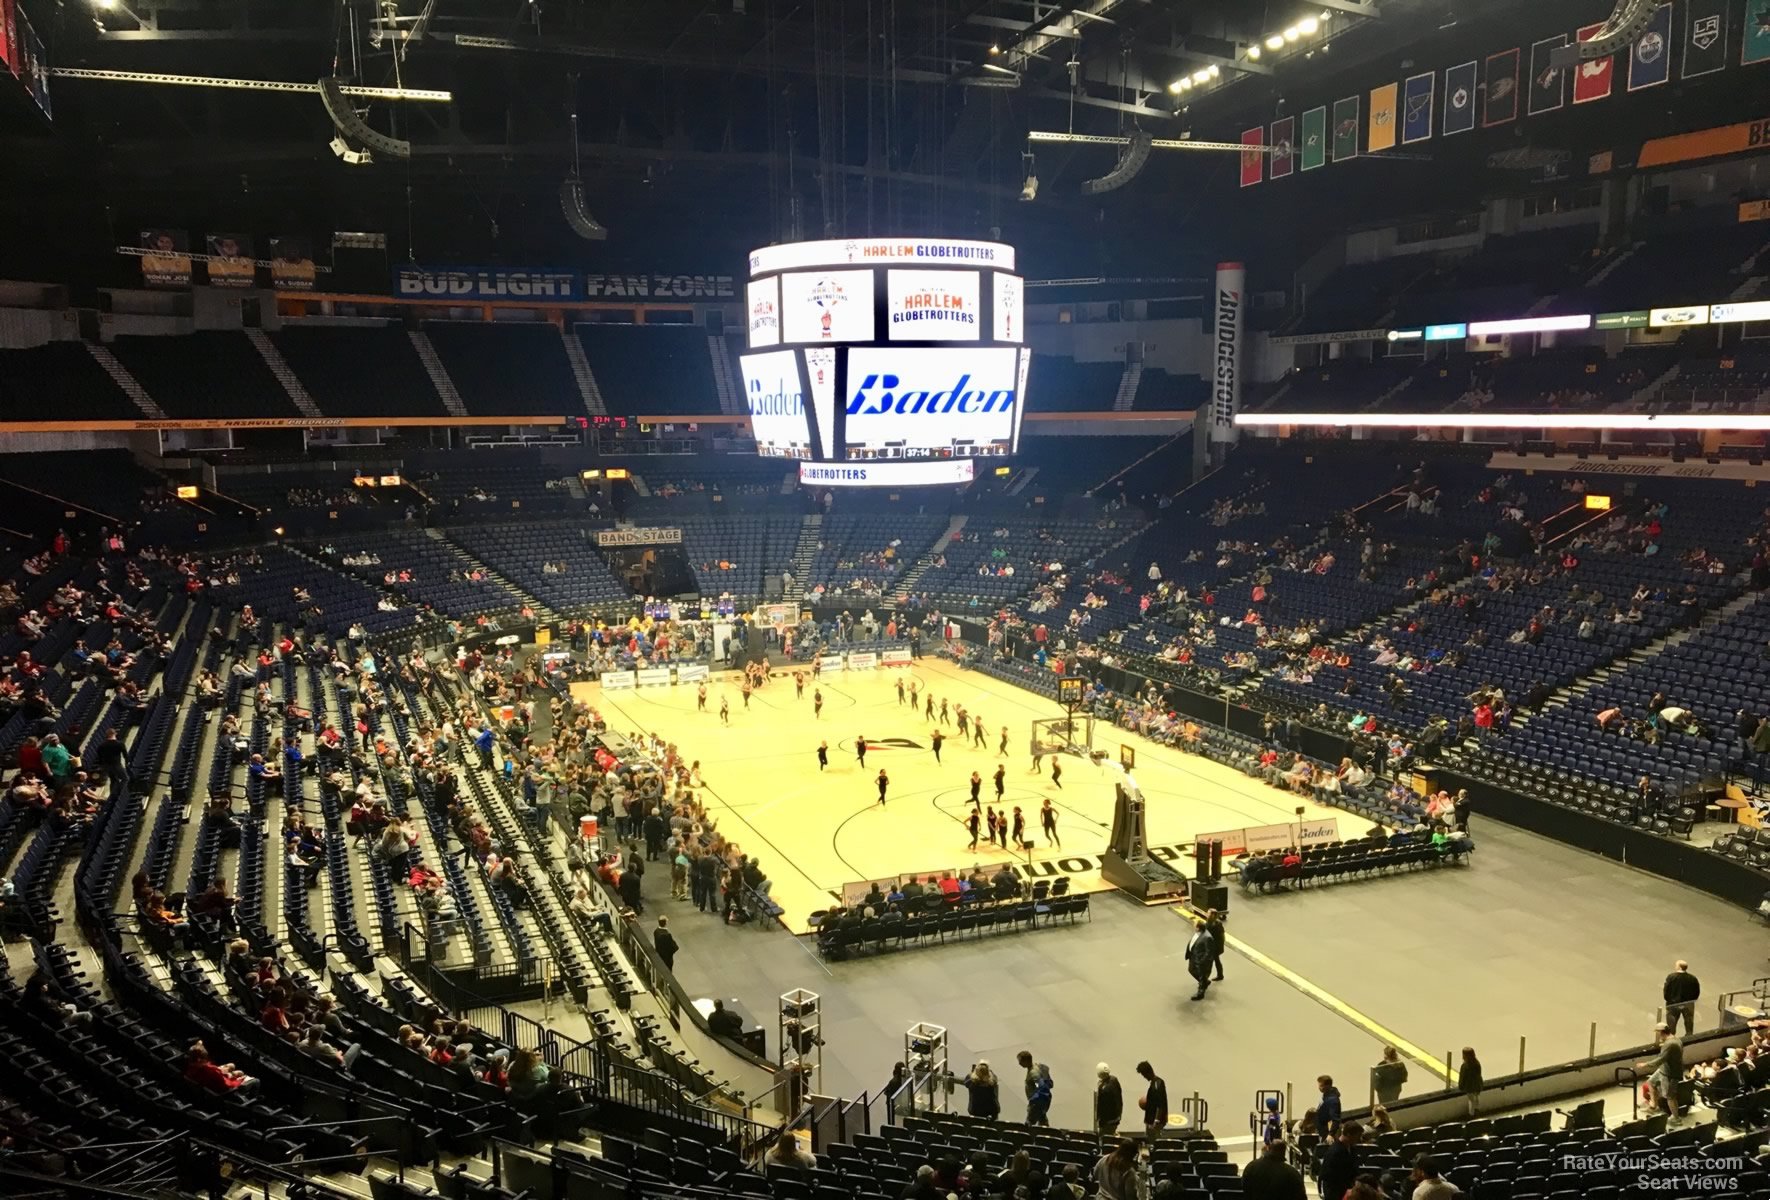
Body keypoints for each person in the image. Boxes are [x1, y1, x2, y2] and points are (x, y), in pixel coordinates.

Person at [1637, 1022, 1683, 1120]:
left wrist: (1646, 1064)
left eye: (1658, 1033)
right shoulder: (1676, 1039)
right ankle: (1653, 1106)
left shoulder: (1669, 1044)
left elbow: (1660, 1059)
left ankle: (1676, 1118)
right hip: (1663, 1069)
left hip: (1670, 1073)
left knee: (1670, 1096)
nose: (1658, 1035)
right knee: (1651, 1082)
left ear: (1662, 1032)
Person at [1318, 1121, 1364, 1200]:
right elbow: (1329, 1178)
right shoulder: (1334, 1152)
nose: (1359, 1139)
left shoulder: (1351, 1149)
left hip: (1347, 1188)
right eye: (1358, 1135)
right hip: (1336, 1192)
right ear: (1349, 1134)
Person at [1663, 960, 1700, 1037]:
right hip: (1688, 1005)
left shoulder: (1671, 977)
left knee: (1671, 1025)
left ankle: (1671, 1038)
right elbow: (1697, 991)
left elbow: (1666, 990)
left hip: (1673, 1005)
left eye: (1676, 965)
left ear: (1679, 967)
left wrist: (1668, 1000)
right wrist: (1691, 1000)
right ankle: (1689, 1038)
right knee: (1689, 1024)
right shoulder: (1692, 978)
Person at [1017, 1050, 1054, 1125]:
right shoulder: (1036, 1067)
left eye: (1020, 1061)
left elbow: (1040, 1087)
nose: (1019, 1063)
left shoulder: (1033, 1074)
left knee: (1029, 1123)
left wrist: (1034, 1103)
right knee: (1043, 1121)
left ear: (1026, 1061)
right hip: (1042, 1101)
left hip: (1037, 1103)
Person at [1135, 1060, 1169, 1141]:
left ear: (1148, 1072)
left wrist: (1156, 1121)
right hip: (1152, 1120)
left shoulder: (1157, 1085)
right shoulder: (1155, 1083)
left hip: (1154, 1122)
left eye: (1144, 1074)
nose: (1144, 1077)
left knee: (1154, 1141)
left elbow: (1160, 1105)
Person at [1185, 922, 1215, 1001]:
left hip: (1200, 961)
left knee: (1201, 975)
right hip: (1194, 957)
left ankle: (1200, 993)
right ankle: (1205, 981)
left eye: (1195, 926)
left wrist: (1202, 961)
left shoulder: (1207, 937)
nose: (1193, 926)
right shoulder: (1198, 933)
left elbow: (1209, 952)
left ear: (1198, 928)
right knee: (1191, 970)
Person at [1094, 1063, 1124, 1138]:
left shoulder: (1104, 1089)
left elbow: (1102, 1107)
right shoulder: (1114, 1080)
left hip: (1107, 1121)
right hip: (1115, 1118)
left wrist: (1099, 1120)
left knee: (1104, 1138)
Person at [1314, 1075, 1342, 1141]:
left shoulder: (1333, 1100)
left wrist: (1331, 1134)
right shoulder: (1326, 1097)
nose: (1319, 1088)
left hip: (1326, 1134)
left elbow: (1335, 1119)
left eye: (1321, 1086)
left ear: (1328, 1086)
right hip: (1322, 1131)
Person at [1458, 1047, 1484, 1117]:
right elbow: (1479, 1075)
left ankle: (1471, 1114)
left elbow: (1462, 1077)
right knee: (1476, 1098)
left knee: (1471, 1100)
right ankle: (1477, 1110)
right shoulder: (1477, 1063)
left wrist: (1460, 1086)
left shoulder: (1464, 1066)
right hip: (1477, 1086)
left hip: (1469, 1087)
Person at [1204, 908, 1226, 982]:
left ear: (1213, 915)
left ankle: (1205, 978)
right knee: (1216, 960)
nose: (1207, 914)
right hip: (1214, 946)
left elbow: (1219, 936)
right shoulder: (1213, 922)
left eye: (1208, 913)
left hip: (1214, 947)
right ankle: (1220, 975)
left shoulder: (1214, 924)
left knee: (1209, 962)